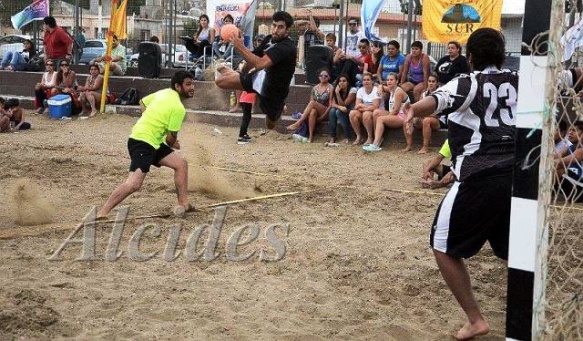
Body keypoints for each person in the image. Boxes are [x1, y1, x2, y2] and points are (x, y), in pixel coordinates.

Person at [404, 27, 518, 340]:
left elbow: (437, 100)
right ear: (502, 54)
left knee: (442, 244)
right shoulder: (522, 79)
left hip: (481, 175)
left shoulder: (468, 81)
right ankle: (531, 309)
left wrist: (412, 109)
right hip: (519, 178)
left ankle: (476, 319)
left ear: (469, 58)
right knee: (515, 251)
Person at [96, 71, 196, 219]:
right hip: (142, 143)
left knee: (181, 164)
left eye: (193, 84)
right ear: (178, 86)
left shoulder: (165, 92)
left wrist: (150, 121)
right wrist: (174, 143)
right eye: (188, 84)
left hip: (149, 141)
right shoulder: (179, 109)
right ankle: (102, 212)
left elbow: (142, 103)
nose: (192, 87)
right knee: (134, 184)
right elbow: (169, 141)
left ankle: (184, 204)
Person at [215, 11, 297, 130]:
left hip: (274, 92)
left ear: (287, 30)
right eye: (274, 25)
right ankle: (233, 73)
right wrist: (242, 73)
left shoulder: (286, 47)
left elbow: (259, 63)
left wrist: (240, 46)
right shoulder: (269, 39)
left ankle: (280, 108)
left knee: (270, 125)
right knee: (220, 81)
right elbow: (253, 58)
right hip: (258, 79)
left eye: (280, 27)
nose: (275, 30)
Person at [363, 72, 409, 152]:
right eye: (387, 80)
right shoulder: (391, 89)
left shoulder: (398, 92)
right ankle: (377, 138)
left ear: (397, 81)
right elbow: (382, 87)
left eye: (391, 80)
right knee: (376, 112)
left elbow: (395, 111)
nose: (389, 81)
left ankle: (375, 144)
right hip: (395, 114)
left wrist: (385, 118)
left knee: (380, 119)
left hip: (402, 116)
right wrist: (381, 86)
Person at [286, 68, 333, 143]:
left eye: (325, 76)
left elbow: (331, 105)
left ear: (329, 77)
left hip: (325, 111)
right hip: (316, 110)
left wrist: (322, 117)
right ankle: (311, 136)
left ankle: (298, 123)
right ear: (318, 77)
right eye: (321, 75)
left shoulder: (330, 87)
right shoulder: (315, 88)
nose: (323, 77)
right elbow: (310, 102)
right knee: (312, 112)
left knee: (312, 103)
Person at [404, 74, 447, 153]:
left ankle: (425, 147)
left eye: (433, 81)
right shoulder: (424, 94)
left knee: (426, 120)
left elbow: (437, 115)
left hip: (439, 121)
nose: (430, 83)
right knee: (407, 119)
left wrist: (421, 115)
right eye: (429, 81)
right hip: (424, 117)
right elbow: (419, 109)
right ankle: (409, 145)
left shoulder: (441, 94)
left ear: (437, 83)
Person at [348, 72, 381, 145]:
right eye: (364, 80)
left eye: (368, 80)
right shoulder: (360, 90)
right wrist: (367, 107)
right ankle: (359, 136)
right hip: (366, 111)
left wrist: (362, 105)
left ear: (372, 81)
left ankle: (370, 137)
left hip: (377, 112)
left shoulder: (376, 90)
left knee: (366, 114)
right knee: (352, 113)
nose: (366, 81)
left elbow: (375, 106)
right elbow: (357, 106)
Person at [327, 74, 357, 145]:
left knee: (338, 112)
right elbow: (333, 104)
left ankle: (348, 137)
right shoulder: (337, 90)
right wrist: (340, 106)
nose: (342, 83)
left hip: (351, 111)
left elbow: (345, 104)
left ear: (348, 82)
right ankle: (333, 136)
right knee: (332, 111)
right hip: (342, 109)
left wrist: (337, 94)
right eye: (340, 81)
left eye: (344, 81)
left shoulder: (353, 90)